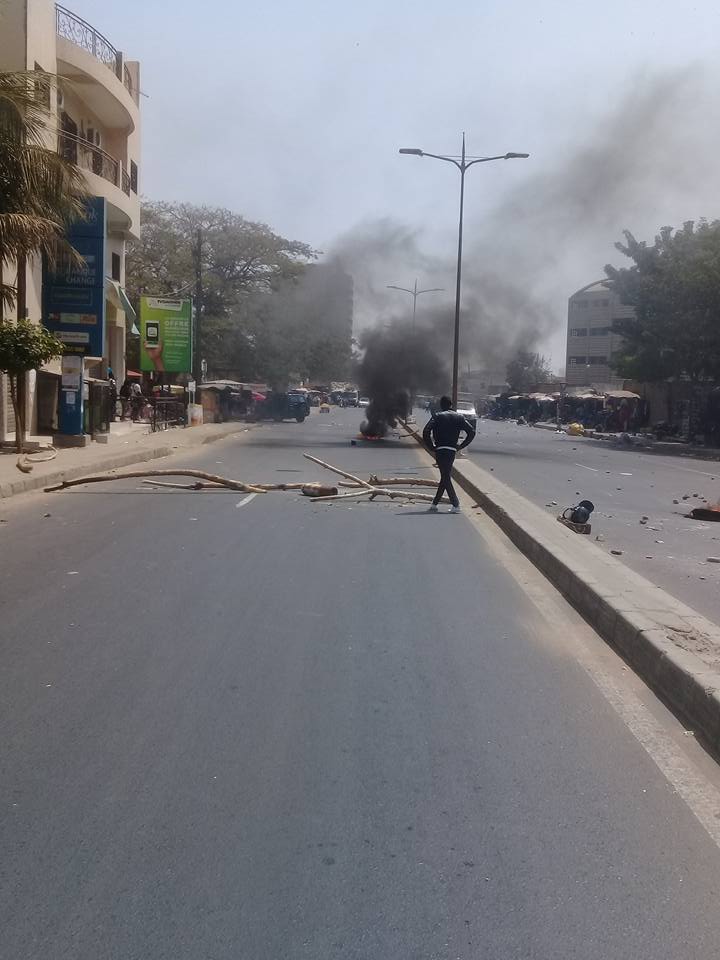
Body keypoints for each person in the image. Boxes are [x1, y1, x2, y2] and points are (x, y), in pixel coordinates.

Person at [422, 395, 476, 513]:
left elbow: (426, 431)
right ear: (451, 404)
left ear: (441, 405)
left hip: (440, 449)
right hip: (452, 450)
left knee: (445, 476)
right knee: (445, 475)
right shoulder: (460, 417)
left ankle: (455, 504)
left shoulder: (437, 416)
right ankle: (434, 504)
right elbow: (471, 432)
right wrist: (461, 446)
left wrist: (431, 447)